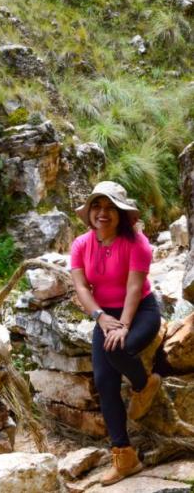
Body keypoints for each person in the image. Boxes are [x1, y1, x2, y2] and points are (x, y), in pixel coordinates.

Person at [70, 181, 162, 486]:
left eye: (111, 207)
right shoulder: (81, 244)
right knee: (104, 382)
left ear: (122, 214)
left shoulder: (137, 242)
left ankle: (143, 384)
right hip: (105, 315)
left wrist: (122, 325)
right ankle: (125, 457)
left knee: (115, 349)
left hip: (141, 312)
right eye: (97, 205)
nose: (103, 212)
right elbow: (81, 287)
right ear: (89, 212)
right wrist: (100, 317)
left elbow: (135, 288)